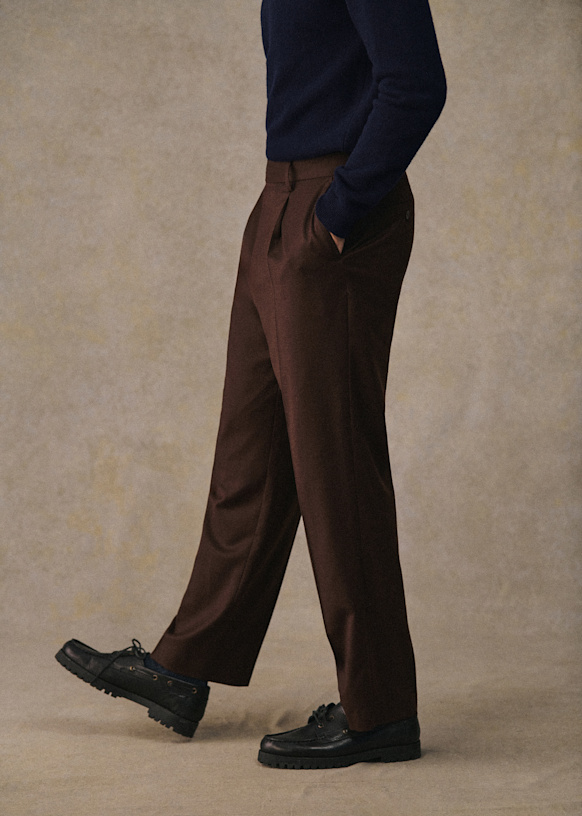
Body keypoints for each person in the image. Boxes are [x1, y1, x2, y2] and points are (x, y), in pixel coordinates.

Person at [56, 0, 446, 770]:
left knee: (335, 467)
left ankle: (379, 710)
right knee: (250, 458)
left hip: (336, 209)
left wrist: (337, 213)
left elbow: (416, 84)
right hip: (278, 201)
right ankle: (183, 666)